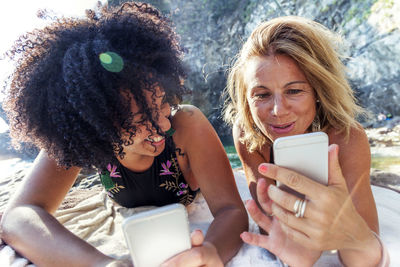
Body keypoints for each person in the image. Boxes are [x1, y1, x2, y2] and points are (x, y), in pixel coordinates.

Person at [0, 2, 248, 266]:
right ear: (96, 125)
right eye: (141, 119)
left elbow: (231, 210)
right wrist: (104, 264)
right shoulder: (85, 140)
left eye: (162, 103)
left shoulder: (185, 124)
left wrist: (211, 251)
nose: (161, 126)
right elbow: (19, 216)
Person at [223, 16, 389, 266]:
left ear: (318, 91)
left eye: (294, 91)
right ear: (247, 99)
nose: (278, 110)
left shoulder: (346, 138)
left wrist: (352, 236)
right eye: (262, 94)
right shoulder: (249, 135)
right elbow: (272, 229)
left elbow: (362, 256)